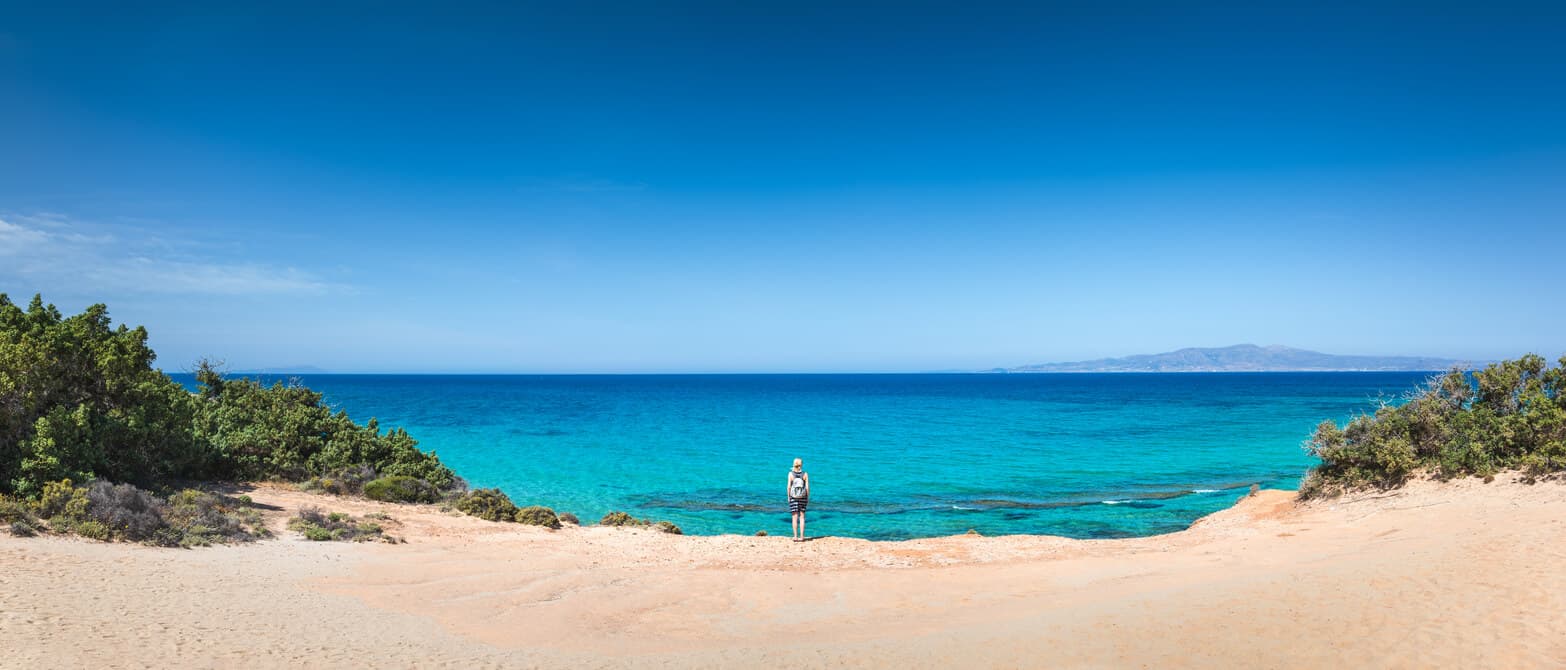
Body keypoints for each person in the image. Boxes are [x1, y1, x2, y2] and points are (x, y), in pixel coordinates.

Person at [787, 457, 810, 542]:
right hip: (803, 497)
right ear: (801, 464)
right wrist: (807, 497)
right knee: (802, 517)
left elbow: (789, 487)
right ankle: (802, 537)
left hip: (793, 497)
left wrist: (788, 497)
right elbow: (807, 487)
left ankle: (795, 537)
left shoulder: (790, 474)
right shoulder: (805, 474)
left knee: (794, 517)